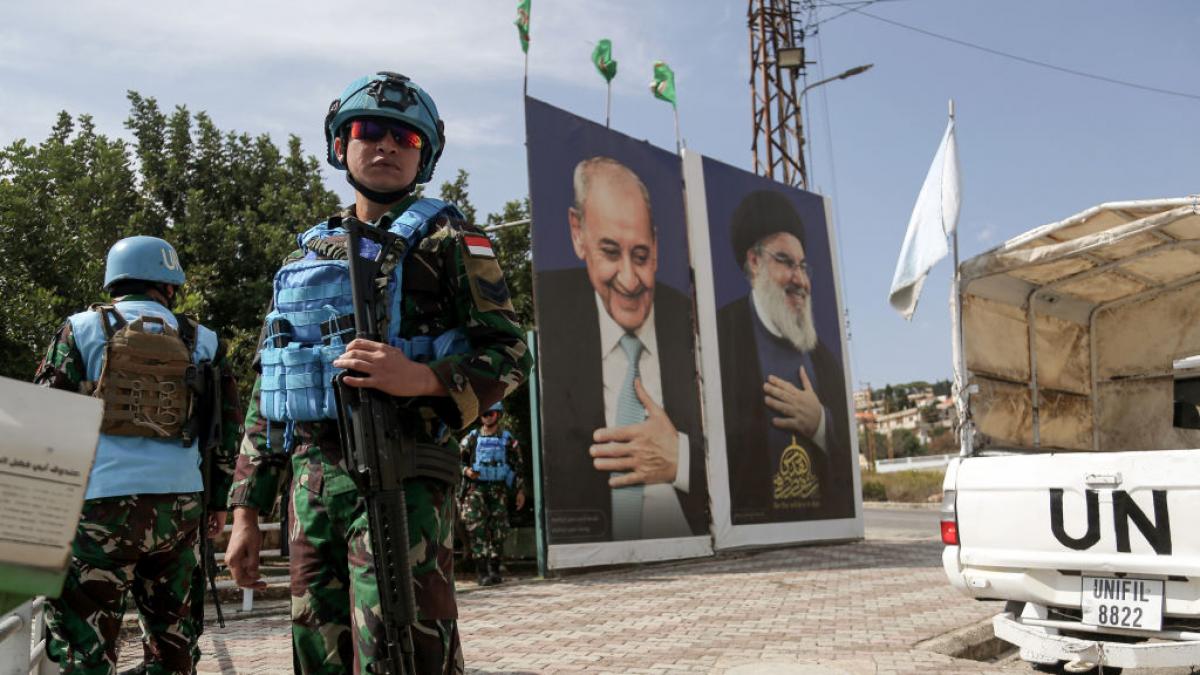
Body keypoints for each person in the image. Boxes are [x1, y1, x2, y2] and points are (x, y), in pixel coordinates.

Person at [222, 71, 531, 675]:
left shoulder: (453, 239)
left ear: (425, 155)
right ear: (341, 144)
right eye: (370, 131)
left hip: (405, 475)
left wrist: (420, 378)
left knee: (408, 649)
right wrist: (245, 514)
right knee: (317, 653)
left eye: (406, 139)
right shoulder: (305, 254)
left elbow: (510, 354)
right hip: (313, 489)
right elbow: (273, 384)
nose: (387, 146)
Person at [34, 235, 240, 674]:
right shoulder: (204, 340)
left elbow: (45, 422)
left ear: (114, 280)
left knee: (84, 647)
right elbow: (224, 431)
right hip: (180, 507)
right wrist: (218, 502)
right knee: (174, 644)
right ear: (170, 285)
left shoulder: (81, 329)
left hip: (98, 510)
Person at [536, 156, 707, 543]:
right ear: (577, 233)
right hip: (598, 564)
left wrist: (682, 460)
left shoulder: (691, 317)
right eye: (611, 253)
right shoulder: (553, 314)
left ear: (658, 246)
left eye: (642, 256)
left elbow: (745, 453)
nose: (630, 280)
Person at [717, 190, 853, 524]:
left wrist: (820, 422)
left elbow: (846, 456)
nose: (800, 280)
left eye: (803, 267)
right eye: (785, 262)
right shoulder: (723, 336)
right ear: (754, 261)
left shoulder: (822, 358)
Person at [458, 401, 525, 586]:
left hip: (498, 490)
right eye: (484, 413)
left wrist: (520, 491)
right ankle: (481, 572)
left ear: (498, 415)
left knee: (498, 529)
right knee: (476, 528)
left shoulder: (507, 439)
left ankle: (495, 570)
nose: (487, 416)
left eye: (491, 413)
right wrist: (467, 472)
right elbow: (457, 461)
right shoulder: (471, 438)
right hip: (476, 489)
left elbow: (517, 465)